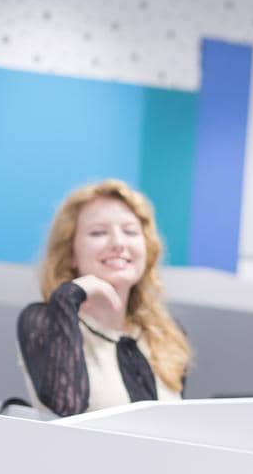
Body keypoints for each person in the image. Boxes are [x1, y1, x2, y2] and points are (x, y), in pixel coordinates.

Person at [17, 179, 191, 417]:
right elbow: (68, 407)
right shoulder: (44, 322)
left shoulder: (167, 334)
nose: (119, 243)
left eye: (130, 231)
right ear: (71, 254)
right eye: (98, 232)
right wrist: (69, 296)